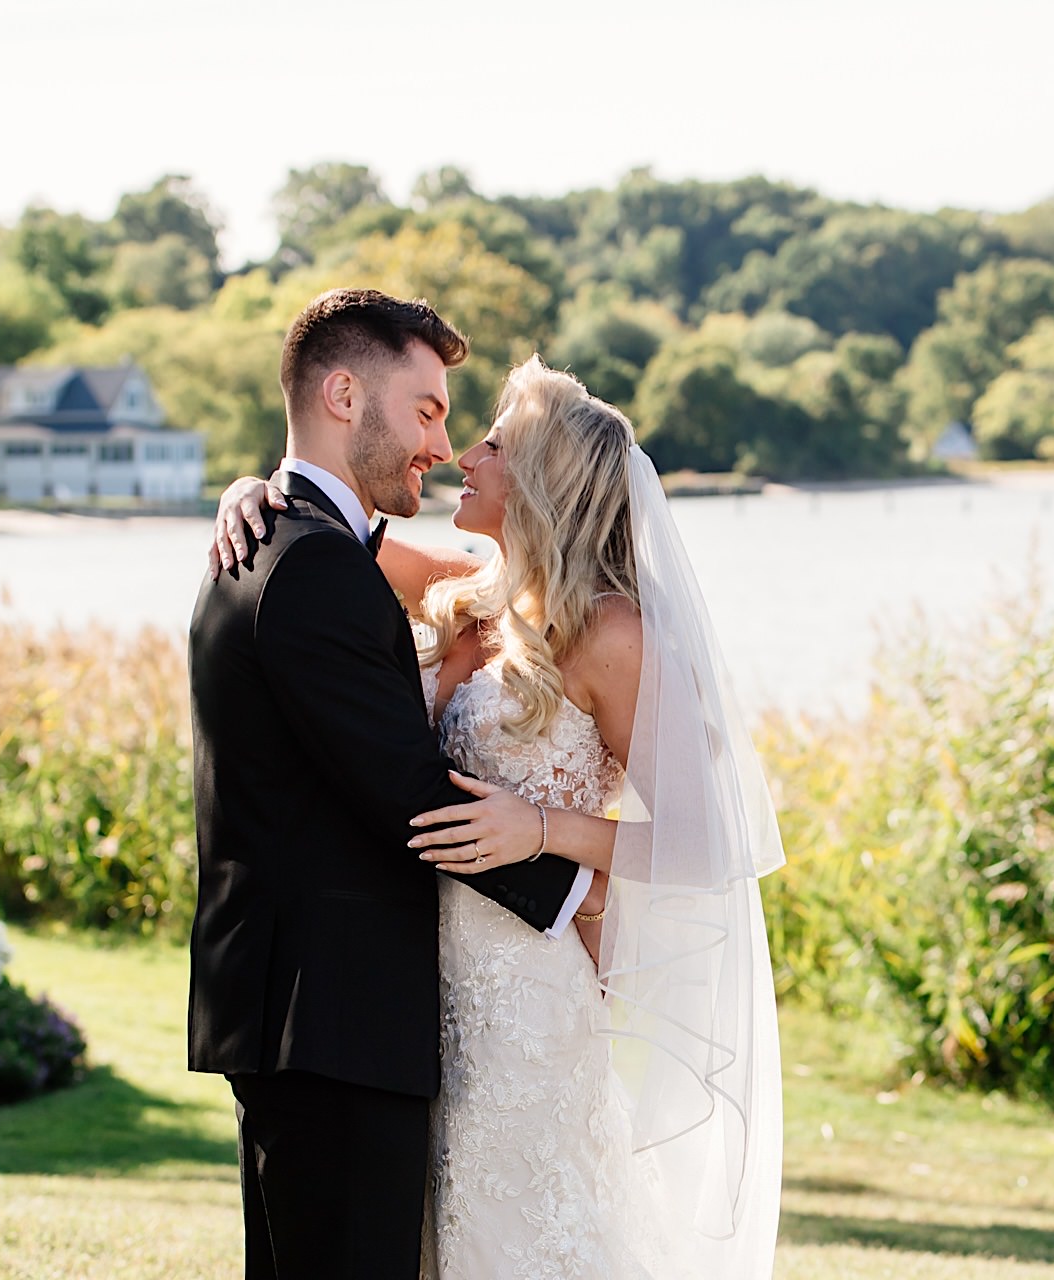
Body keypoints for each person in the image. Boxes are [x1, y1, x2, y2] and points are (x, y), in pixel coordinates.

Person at [208, 354, 785, 1278]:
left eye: (492, 442)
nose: (460, 455)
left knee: (514, 1234)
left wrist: (545, 831)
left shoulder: (612, 635)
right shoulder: (468, 593)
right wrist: (247, 490)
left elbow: (707, 840)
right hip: (408, 989)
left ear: (547, 477)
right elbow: (311, 526)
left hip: (526, 998)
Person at [187, 289, 591, 1279]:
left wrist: (252, 479)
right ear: (340, 393)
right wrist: (584, 889)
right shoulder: (309, 559)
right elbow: (404, 792)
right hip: (331, 1018)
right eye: (425, 409)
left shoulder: (292, 536)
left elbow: (482, 569)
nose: (442, 443)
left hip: (306, 1013)